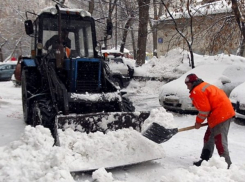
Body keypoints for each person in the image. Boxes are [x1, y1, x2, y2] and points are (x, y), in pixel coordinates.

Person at [185, 73, 235, 169]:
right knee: (208, 137)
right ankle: (205, 160)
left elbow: (204, 110)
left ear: (192, 83)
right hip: (218, 114)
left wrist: (198, 122)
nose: (187, 88)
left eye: (188, 85)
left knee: (220, 140)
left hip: (221, 115)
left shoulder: (198, 90)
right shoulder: (202, 86)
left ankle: (227, 165)